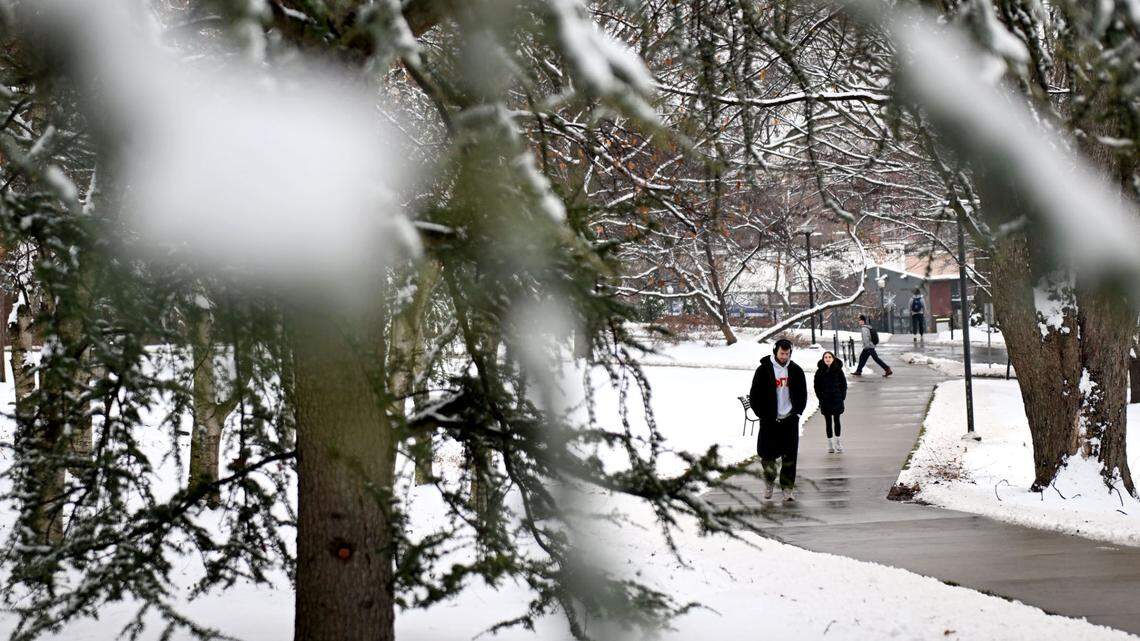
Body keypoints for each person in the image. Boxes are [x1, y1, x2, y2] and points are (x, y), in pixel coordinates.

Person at [749, 338, 807, 502]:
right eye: (782, 353)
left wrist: (797, 413)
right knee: (766, 455)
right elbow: (755, 395)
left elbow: (803, 393)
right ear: (775, 352)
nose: (784, 356)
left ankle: (787, 488)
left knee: (790, 457)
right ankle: (769, 481)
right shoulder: (763, 370)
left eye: (787, 354)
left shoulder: (796, 370)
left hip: (789, 420)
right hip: (770, 421)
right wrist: (763, 414)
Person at [814, 351, 848, 453]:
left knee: (837, 420)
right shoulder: (819, 371)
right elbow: (816, 386)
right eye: (825, 357)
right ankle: (830, 444)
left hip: (837, 399)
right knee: (828, 422)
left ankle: (838, 442)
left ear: (833, 359)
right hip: (825, 400)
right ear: (823, 359)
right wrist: (821, 398)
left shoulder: (838, 370)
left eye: (829, 357)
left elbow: (844, 385)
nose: (827, 359)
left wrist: (842, 397)